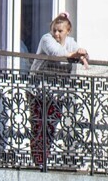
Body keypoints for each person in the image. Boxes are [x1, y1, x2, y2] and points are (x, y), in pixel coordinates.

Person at [31, 12, 88, 169]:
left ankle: (44, 160)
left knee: (50, 126)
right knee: (39, 126)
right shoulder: (46, 39)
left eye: (60, 31)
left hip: (57, 94)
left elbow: (80, 50)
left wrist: (83, 55)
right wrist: (75, 55)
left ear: (67, 31)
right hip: (38, 91)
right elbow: (55, 53)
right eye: (54, 30)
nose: (56, 34)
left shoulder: (70, 43)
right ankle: (39, 161)